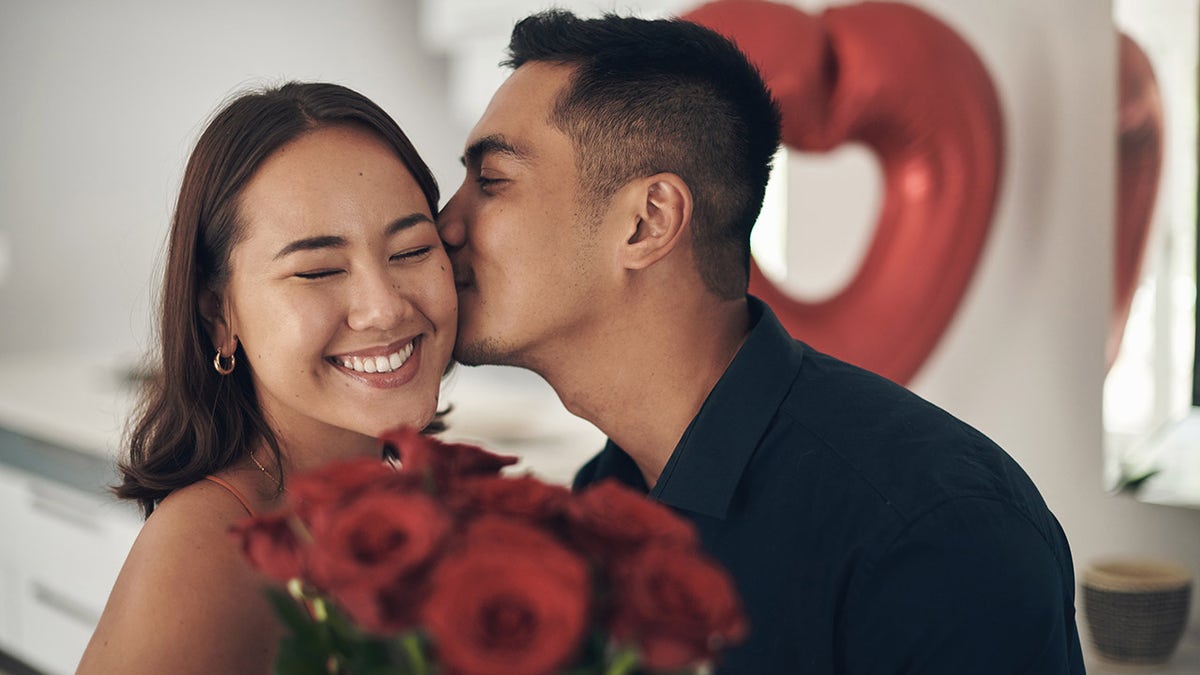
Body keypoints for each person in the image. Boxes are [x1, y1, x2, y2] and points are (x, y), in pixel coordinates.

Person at [437, 10, 1085, 674]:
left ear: (646, 222)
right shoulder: (605, 500)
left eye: (491, 183)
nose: (444, 226)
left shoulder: (938, 533)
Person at [78, 82, 457, 674]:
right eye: (318, 270)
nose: (384, 308)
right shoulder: (206, 552)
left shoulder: (395, 502)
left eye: (410, 251)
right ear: (219, 315)